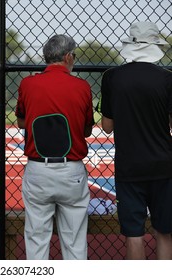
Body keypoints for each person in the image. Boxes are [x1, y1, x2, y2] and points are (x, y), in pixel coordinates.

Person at [15, 34, 94, 260]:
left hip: (38, 170)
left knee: (37, 239)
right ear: (68, 56)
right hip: (71, 171)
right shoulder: (82, 86)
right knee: (75, 241)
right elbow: (87, 130)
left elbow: (22, 120)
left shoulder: (28, 84)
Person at [99, 22, 172, 260]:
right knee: (164, 231)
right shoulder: (167, 79)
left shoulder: (112, 78)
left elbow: (107, 127)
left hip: (129, 165)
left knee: (134, 234)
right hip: (163, 164)